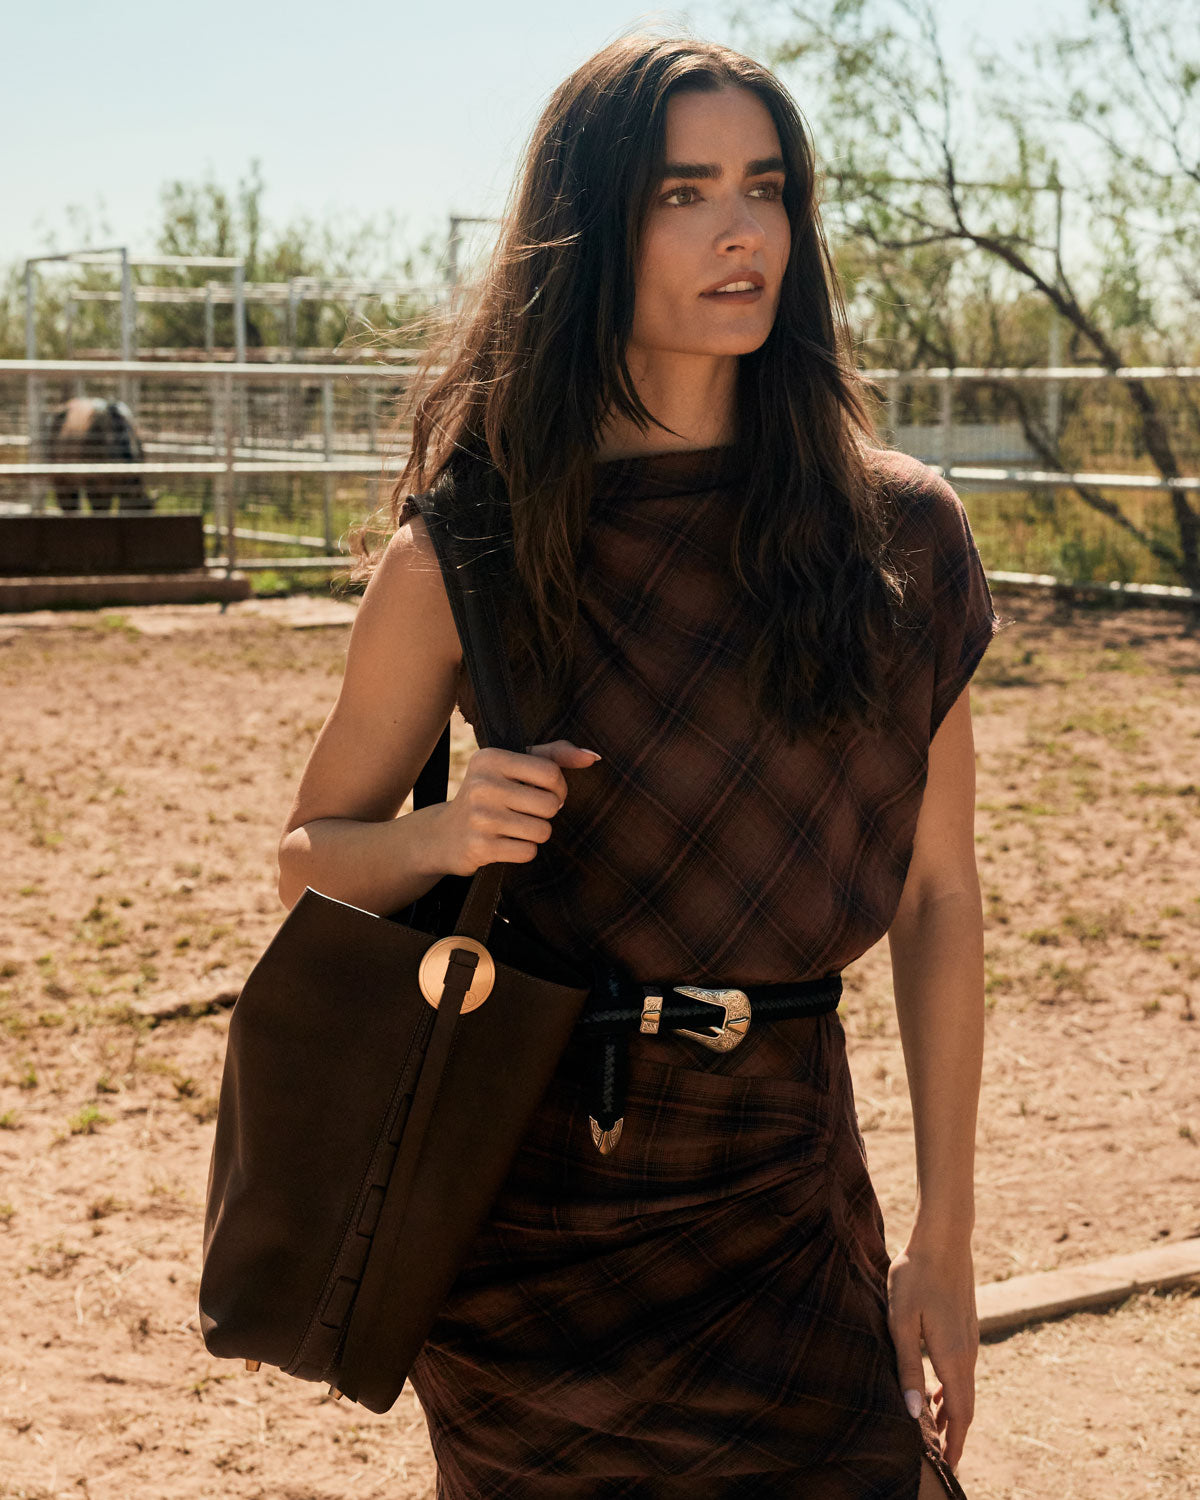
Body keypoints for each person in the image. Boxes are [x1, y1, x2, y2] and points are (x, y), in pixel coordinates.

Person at [277, 30, 1005, 1500]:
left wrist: (944, 1236)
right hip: (532, 1231)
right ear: (596, 224)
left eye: (766, 187)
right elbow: (312, 859)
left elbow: (936, 900)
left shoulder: (901, 537)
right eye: (684, 194)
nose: (741, 231)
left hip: (789, 1183)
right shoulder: (471, 548)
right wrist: (443, 836)